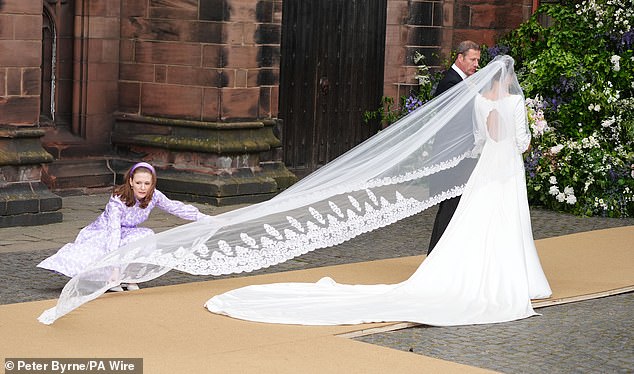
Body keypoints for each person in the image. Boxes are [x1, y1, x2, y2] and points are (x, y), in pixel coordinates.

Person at [203, 55, 552, 327]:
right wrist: (528, 133)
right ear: (510, 81)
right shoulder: (514, 103)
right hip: (506, 169)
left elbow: (478, 140)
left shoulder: (479, 101)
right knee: (508, 220)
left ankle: (469, 272)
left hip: (484, 168)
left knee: (477, 219)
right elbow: (520, 143)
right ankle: (515, 278)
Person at [37, 162, 208, 292]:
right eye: (139, 182)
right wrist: (114, 268)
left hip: (127, 231)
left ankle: (129, 277)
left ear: (152, 184)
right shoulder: (118, 199)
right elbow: (114, 231)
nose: (143, 187)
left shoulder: (154, 195)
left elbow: (175, 207)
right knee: (99, 253)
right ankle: (111, 278)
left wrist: (203, 218)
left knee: (147, 235)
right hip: (104, 232)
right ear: (131, 181)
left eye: (147, 184)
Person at [427, 40, 481, 255]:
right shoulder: (450, 83)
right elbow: (457, 123)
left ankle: (444, 255)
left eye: (478, 59)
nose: (476, 64)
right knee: (449, 206)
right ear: (460, 58)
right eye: (473, 59)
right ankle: (436, 256)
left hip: (460, 156)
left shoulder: (464, 82)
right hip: (451, 157)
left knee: (455, 207)